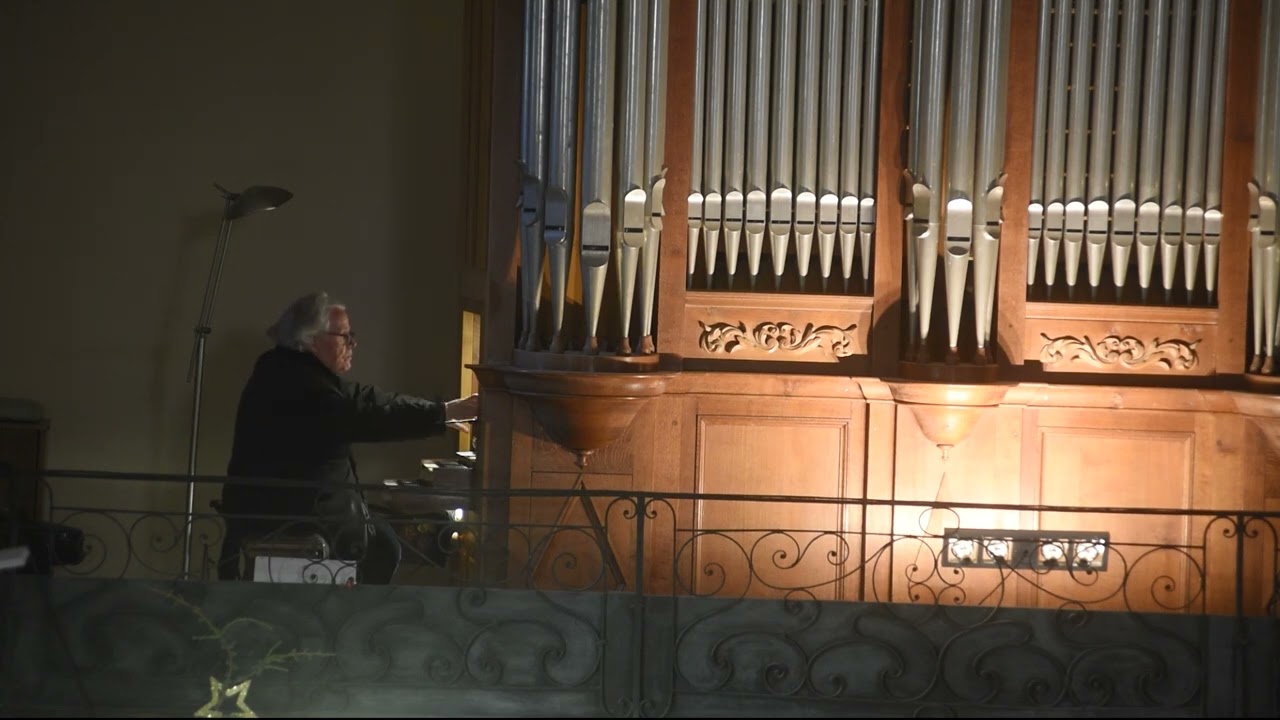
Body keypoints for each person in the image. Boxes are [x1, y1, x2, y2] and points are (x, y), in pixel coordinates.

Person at [216, 291, 478, 584]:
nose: (353, 343)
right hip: (294, 522)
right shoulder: (299, 386)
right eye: (345, 336)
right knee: (385, 547)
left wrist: (444, 411)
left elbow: (369, 401)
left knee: (386, 540)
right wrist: (440, 415)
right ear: (312, 339)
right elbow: (366, 416)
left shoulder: (296, 371)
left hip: (307, 513)